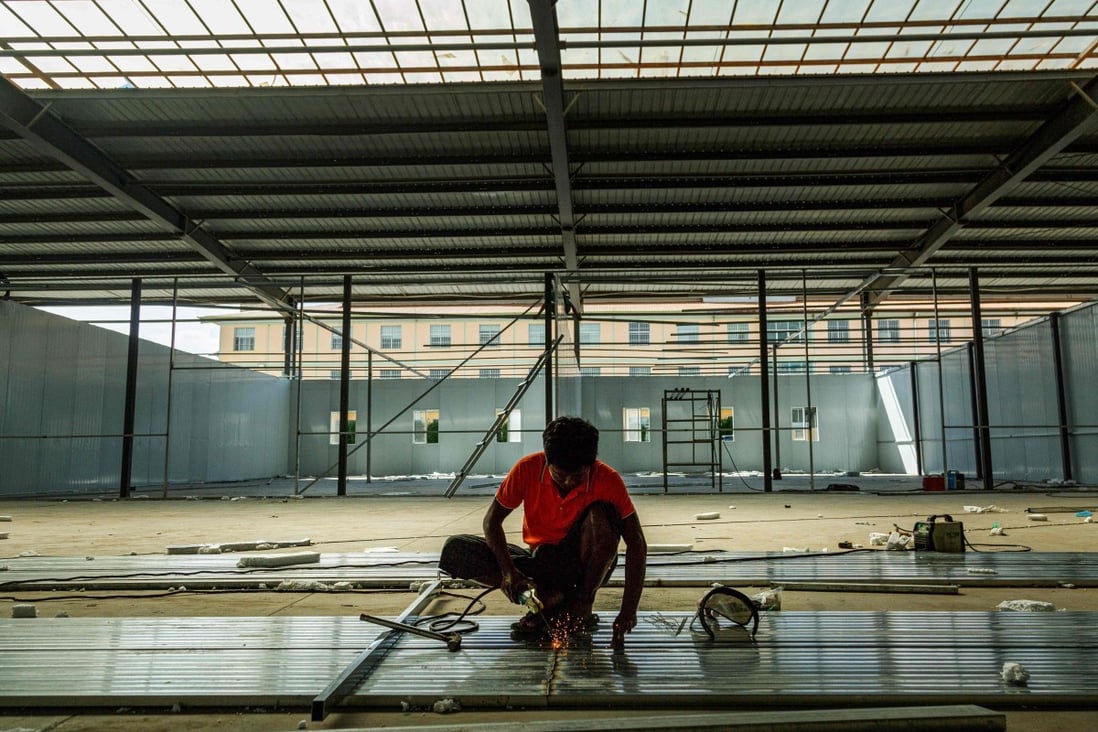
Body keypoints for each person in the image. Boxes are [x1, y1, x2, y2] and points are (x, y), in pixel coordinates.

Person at [439, 416, 647, 648]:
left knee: (602, 514)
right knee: (456, 550)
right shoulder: (527, 468)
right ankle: (551, 600)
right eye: (560, 475)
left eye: (576, 477)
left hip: (583, 569)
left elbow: (636, 543)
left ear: (592, 464)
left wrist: (628, 611)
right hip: (540, 565)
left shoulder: (608, 480)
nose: (568, 482)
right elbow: (491, 521)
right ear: (547, 460)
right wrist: (509, 572)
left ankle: (580, 603)